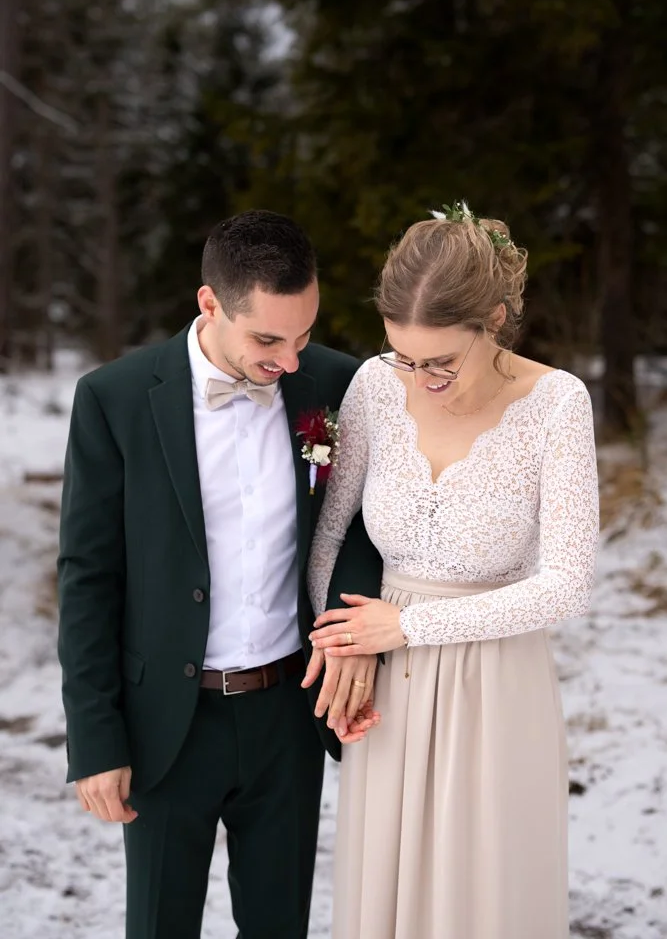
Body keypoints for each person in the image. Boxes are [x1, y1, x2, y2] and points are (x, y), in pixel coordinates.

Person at [57, 209, 382, 939]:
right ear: (209, 304)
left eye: (302, 335)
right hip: (167, 724)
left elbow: (357, 524)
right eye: (267, 339)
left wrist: (346, 640)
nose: (289, 361)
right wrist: (96, 738)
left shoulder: (332, 386)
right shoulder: (113, 398)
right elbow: (87, 577)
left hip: (287, 717)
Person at [307, 202, 599, 939]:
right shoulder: (374, 386)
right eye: (404, 355)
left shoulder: (557, 404)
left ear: (495, 319)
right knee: (386, 892)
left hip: (494, 685)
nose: (419, 375)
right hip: (385, 690)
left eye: (439, 359)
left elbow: (566, 583)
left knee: (483, 894)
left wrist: (406, 626)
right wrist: (342, 651)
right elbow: (328, 532)